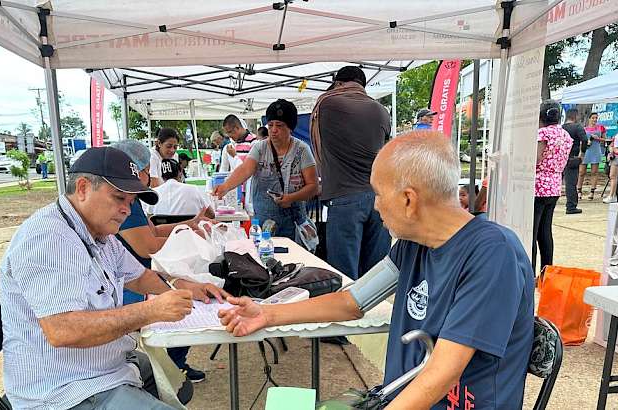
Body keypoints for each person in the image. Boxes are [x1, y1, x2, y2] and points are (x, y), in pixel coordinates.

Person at [218, 131, 534, 410]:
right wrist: (266, 313)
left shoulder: (493, 253)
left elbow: (443, 374)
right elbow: (351, 302)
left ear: (409, 200)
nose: (375, 206)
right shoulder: (415, 244)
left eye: (379, 195)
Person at [0, 146, 229, 409]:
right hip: (68, 390)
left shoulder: (97, 233)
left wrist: (180, 285)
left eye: (130, 203)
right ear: (83, 188)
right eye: (119, 198)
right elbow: (62, 330)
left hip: (106, 367)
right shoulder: (49, 239)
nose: (127, 211)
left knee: (173, 382)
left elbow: (140, 276)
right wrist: (150, 310)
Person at [112, 140, 212, 382]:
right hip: (128, 287)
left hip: (137, 276)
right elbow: (147, 247)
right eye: (147, 170)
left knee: (188, 297)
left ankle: (173, 366)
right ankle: (173, 368)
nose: (149, 176)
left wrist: (187, 226)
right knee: (183, 311)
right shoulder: (124, 202)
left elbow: (153, 232)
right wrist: (187, 235)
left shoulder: (130, 201)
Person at [310, 65, 392, 280]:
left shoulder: (327, 103)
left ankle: (348, 315)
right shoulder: (382, 111)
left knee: (345, 276)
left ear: (338, 83)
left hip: (344, 198)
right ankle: (377, 314)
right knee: (375, 277)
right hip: (379, 199)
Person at [213, 100, 318, 242]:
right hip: (264, 223)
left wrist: (291, 198)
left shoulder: (302, 150)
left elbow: (313, 186)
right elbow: (245, 169)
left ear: (290, 128)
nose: (273, 130)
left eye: (279, 125)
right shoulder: (259, 148)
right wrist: (225, 186)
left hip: (294, 222)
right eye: (270, 125)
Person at [533, 101, 573, 275]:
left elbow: (536, 158)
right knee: (545, 231)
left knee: (531, 233)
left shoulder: (542, 134)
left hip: (537, 185)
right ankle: (546, 274)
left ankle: (529, 272)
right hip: (555, 184)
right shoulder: (565, 135)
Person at [145, 159, 213, 216]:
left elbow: (149, 218)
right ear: (180, 172)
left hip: (163, 231)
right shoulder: (194, 189)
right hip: (190, 231)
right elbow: (211, 215)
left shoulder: (153, 193)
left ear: (162, 177)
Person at [561, 108, 588, 214]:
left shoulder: (561, 128)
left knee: (559, 181)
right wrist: (582, 154)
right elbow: (585, 140)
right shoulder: (577, 127)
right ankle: (571, 206)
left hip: (560, 158)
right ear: (575, 116)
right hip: (572, 157)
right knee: (571, 183)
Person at [578, 112, 607, 201]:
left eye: (596, 118)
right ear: (589, 119)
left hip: (595, 150)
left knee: (594, 172)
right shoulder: (584, 129)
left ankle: (592, 191)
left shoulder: (601, 128)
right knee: (581, 172)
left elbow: (604, 139)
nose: (594, 119)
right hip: (586, 150)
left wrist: (597, 138)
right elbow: (581, 141)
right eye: (593, 118)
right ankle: (579, 190)